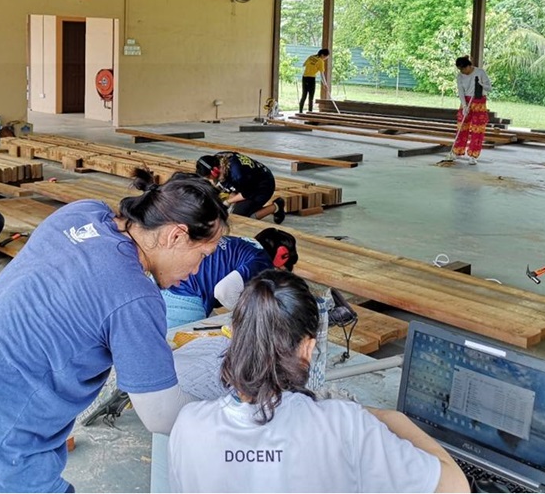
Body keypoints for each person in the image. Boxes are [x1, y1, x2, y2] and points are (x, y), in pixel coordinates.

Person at [0, 169, 229, 493]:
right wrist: (234, 411)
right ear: (175, 235)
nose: (196, 271)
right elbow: (161, 414)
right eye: (202, 255)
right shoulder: (133, 296)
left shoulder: (82, 213)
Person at [168, 269, 468, 493]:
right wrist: (391, 417)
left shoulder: (189, 424)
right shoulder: (344, 424)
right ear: (308, 348)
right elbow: (454, 486)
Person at [161, 229, 297, 328]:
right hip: (186, 302)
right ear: (280, 259)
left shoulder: (239, 243)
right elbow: (223, 291)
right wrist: (251, 317)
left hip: (164, 287)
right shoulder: (262, 260)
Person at [196, 152, 285, 223]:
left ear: (215, 171)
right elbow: (223, 184)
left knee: (239, 217)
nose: (208, 180)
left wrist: (227, 202)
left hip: (262, 187)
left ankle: (276, 206)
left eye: (208, 177)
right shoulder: (219, 160)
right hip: (247, 181)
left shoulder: (238, 175)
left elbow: (246, 193)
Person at [445, 55, 491, 165]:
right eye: (460, 70)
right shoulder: (460, 76)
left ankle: (473, 155)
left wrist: (481, 85)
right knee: (462, 127)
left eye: (463, 69)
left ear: (469, 66)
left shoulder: (480, 72)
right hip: (465, 102)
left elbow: (489, 88)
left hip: (478, 101)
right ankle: (456, 151)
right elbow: (461, 91)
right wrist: (464, 106)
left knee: (477, 129)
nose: (462, 72)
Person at [298, 48, 330, 113]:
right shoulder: (321, 61)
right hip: (311, 79)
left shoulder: (311, 57)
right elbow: (322, 74)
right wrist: (325, 84)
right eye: (326, 57)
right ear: (322, 55)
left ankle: (300, 112)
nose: (326, 58)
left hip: (304, 77)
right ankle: (310, 112)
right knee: (311, 96)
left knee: (304, 95)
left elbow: (303, 64)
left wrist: (311, 67)